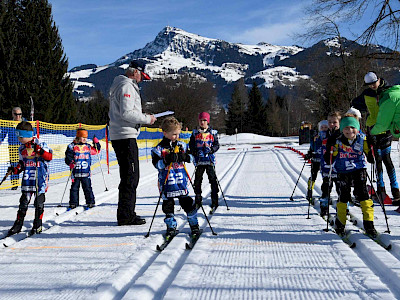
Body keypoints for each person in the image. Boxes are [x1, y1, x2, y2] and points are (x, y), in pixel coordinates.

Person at [108, 60, 157, 226]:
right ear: (135, 72)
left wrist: (142, 116)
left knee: (129, 176)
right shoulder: (127, 86)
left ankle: (127, 213)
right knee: (131, 177)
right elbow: (127, 113)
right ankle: (126, 215)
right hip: (125, 136)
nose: (141, 79)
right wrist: (146, 119)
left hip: (122, 134)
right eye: (141, 76)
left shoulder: (121, 85)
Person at [324, 115, 377, 237]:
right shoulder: (338, 140)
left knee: (363, 195)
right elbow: (330, 160)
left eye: (353, 128)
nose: (350, 131)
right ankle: (340, 224)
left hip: (359, 169)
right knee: (344, 196)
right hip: (343, 171)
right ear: (342, 129)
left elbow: (371, 157)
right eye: (346, 128)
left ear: (357, 129)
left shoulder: (362, 139)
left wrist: (372, 145)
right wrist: (329, 148)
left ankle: (369, 224)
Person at [352, 71, 400, 204]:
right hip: (372, 128)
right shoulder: (366, 94)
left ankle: (396, 191)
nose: (373, 86)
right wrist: (359, 113)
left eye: (374, 83)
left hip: (386, 129)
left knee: (387, 158)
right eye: (369, 84)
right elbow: (355, 103)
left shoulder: (387, 91)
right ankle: (381, 190)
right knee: (377, 159)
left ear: (379, 79)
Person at [151, 117, 200, 238]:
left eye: (178, 134)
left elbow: (192, 158)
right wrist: (166, 159)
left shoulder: (182, 145)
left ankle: (194, 224)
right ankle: (171, 226)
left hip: (180, 181)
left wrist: (185, 157)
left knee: (188, 202)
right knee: (168, 206)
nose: (176, 137)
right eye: (174, 134)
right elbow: (157, 165)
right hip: (167, 182)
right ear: (165, 133)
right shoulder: (158, 149)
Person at [6, 121, 53, 236]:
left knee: (38, 202)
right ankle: (18, 225)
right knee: (23, 202)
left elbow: (49, 157)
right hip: (28, 179)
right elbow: (22, 163)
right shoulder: (22, 148)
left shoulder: (40, 144)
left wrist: (40, 152)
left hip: (39, 178)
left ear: (27, 135)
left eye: (20, 137)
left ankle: (38, 224)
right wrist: (15, 169)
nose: (19, 139)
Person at [189, 112, 220, 210]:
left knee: (212, 179)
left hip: (209, 160)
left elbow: (216, 145)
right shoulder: (194, 133)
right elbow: (191, 145)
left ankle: (214, 200)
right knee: (197, 180)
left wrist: (211, 150)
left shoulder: (212, 133)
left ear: (208, 121)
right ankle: (198, 199)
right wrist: (195, 152)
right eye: (201, 120)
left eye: (204, 120)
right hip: (199, 161)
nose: (202, 122)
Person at [65, 129, 101, 210]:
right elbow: (67, 156)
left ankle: (90, 202)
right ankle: (73, 203)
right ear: (78, 137)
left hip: (86, 172)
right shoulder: (72, 146)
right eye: (82, 137)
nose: (84, 139)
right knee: (74, 188)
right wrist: (70, 162)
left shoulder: (88, 147)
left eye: (85, 137)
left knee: (87, 187)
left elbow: (96, 150)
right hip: (75, 172)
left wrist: (96, 143)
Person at [318, 111, 341, 216]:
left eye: (335, 122)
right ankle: (324, 206)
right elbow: (316, 144)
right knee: (326, 187)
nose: (332, 124)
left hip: (340, 167)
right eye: (330, 122)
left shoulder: (342, 134)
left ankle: (343, 207)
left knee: (341, 188)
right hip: (327, 166)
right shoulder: (323, 134)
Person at [0, 107, 27, 189]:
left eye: (19, 114)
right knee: (14, 165)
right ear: (12, 114)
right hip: (13, 148)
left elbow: (31, 133)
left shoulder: (25, 122)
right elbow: (3, 134)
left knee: (27, 164)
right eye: (16, 114)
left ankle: (27, 183)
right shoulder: (8, 123)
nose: (18, 116)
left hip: (24, 147)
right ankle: (14, 184)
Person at [305, 120, 328, 203]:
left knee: (325, 177)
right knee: (313, 175)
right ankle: (310, 190)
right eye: (322, 127)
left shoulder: (329, 136)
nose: (324, 129)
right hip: (316, 159)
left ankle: (325, 193)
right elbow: (312, 147)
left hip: (325, 160)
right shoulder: (316, 137)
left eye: (326, 127)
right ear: (319, 128)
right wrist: (309, 154)